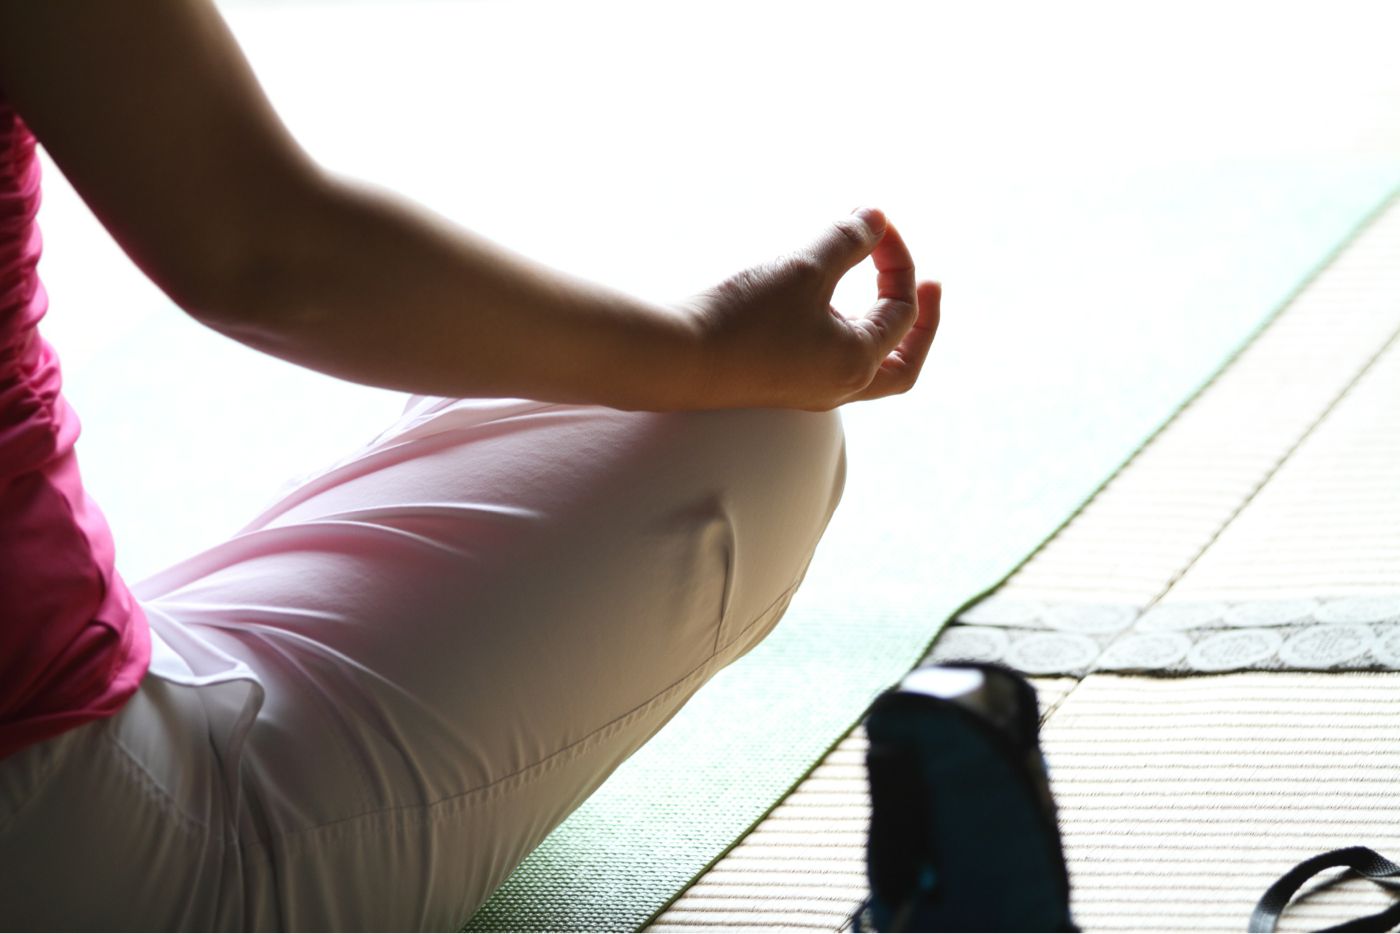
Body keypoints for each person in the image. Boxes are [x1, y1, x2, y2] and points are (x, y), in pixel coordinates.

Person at [0, 1, 941, 928]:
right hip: (72, 827)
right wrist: (703, 347)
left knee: (589, 361)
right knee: (755, 428)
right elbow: (260, 253)